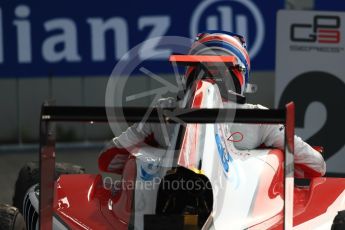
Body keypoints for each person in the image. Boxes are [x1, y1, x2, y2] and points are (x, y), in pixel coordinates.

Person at [99, 30, 326, 178]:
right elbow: (315, 165)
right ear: (240, 77)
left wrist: (147, 154)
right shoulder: (260, 119)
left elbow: (109, 157)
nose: (209, 81)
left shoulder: (162, 111)